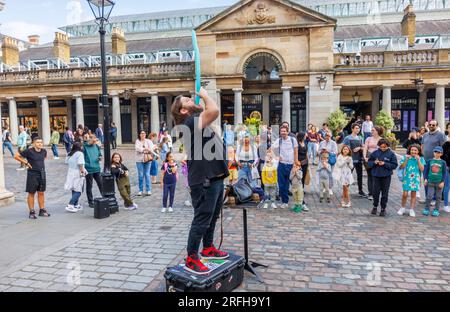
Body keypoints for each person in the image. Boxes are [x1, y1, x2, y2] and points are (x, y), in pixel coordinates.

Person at [171, 87, 229, 275]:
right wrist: (204, 95)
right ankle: (191, 257)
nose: (192, 99)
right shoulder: (190, 121)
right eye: (187, 100)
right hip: (204, 180)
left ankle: (208, 248)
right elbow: (213, 111)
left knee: (212, 217)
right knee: (202, 219)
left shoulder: (195, 121)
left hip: (214, 176)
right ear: (183, 111)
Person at [14, 137, 50, 219]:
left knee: (41, 192)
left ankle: (42, 210)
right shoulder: (29, 151)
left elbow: (43, 159)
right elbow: (16, 156)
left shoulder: (44, 151)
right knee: (31, 193)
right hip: (32, 174)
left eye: (41, 142)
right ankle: (32, 212)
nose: (40, 144)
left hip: (42, 173)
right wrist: (26, 162)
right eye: (37, 142)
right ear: (33, 143)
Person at [368, 139, 398, 217]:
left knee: (385, 193)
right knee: (375, 192)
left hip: (386, 176)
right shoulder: (375, 153)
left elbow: (394, 165)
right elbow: (369, 163)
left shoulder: (391, 154)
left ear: (388, 146)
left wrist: (385, 163)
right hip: (376, 175)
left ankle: (383, 209)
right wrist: (374, 162)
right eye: (381, 147)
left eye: (385, 147)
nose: (383, 148)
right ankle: (375, 206)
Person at [272, 125, 299, 209]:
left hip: (291, 165)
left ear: (288, 132)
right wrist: (276, 157)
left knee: (294, 184)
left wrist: (295, 164)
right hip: (281, 165)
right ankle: (285, 201)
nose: (283, 133)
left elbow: (295, 152)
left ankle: (299, 202)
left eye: (284, 131)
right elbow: (271, 149)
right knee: (281, 185)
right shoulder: (279, 140)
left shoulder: (292, 140)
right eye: (281, 131)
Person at [397, 144, 425, 218]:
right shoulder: (405, 157)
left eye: (415, 150)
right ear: (410, 150)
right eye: (412, 150)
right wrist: (406, 159)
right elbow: (401, 167)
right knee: (405, 194)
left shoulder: (421, 158)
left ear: (418, 151)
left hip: (415, 178)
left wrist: (418, 160)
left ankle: (411, 209)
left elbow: (422, 169)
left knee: (413, 194)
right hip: (407, 178)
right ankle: (402, 208)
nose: (413, 151)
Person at [343, 123, 366, 197]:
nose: (357, 130)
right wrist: (351, 150)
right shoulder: (348, 138)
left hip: (359, 159)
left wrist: (359, 148)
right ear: (352, 129)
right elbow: (345, 148)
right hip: (350, 159)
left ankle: (360, 190)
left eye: (358, 128)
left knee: (360, 176)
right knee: (348, 175)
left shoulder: (360, 138)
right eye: (356, 128)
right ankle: (346, 191)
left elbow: (363, 147)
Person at [423, 146, 447, 217]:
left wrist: (443, 182)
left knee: (438, 197)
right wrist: (425, 179)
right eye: (435, 152)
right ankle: (427, 208)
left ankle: (436, 210)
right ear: (433, 152)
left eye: (438, 152)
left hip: (439, 182)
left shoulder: (443, 162)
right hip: (431, 182)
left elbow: (444, 173)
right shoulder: (430, 161)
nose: (437, 154)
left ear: (441, 154)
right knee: (429, 196)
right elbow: (426, 171)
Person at [64, 142, 87, 213]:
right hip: (78, 172)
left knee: (74, 188)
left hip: (71, 172)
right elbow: (80, 164)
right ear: (80, 147)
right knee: (79, 190)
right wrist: (83, 172)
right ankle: (70, 205)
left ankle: (75, 204)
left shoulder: (70, 153)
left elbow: (66, 162)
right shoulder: (80, 154)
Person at [363, 126, 383, 201]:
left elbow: (383, 149)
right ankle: (370, 193)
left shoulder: (381, 139)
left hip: (377, 159)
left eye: (373, 130)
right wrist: (365, 157)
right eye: (371, 130)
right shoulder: (368, 139)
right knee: (370, 176)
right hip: (369, 158)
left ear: (377, 131)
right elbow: (365, 148)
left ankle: (376, 192)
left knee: (376, 176)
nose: (371, 131)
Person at [83, 134, 103, 207]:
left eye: (96, 140)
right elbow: (82, 157)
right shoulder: (84, 146)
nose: (95, 142)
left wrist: (100, 157)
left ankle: (104, 197)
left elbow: (99, 154)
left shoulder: (96, 146)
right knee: (89, 186)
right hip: (88, 169)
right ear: (90, 139)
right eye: (94, 140)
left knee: (101, 183)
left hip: (97, 168)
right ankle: (90, 201)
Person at [318, 131, 338, 195]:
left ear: (331, 136)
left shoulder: (333, 143)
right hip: (322, 160)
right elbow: (318, 151)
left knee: (330, 174)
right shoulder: (322, 142)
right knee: (323, 174)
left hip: (330, 160)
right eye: (326, 135)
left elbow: (336, 152)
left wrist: (328, 151)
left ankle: (330, 188)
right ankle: (324, 187)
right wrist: (321, 151)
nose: (327, 137)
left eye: (329, 136)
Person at [135, 130, 153, 196]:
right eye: (141, 133)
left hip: (148, 159)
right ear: (139, 134)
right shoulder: (137, 141)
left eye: (144, 133)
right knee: (140, 175)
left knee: (147, 174)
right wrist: (145, 149)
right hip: (139, 160)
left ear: (145, 134)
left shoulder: (149, 141)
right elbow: (137, 148)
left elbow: (151, 149)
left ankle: (148, 190)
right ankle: (140, 190)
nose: (143, 134)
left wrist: (143, 150)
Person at [297, 132, 309, 211]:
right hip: (298, 163)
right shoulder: (297, 144)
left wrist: (308, 163)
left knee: (303, 181)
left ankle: (301, 197)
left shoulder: (305, 143)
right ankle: (300, 200)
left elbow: (307, 153)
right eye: (305, 135)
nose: (306, 136)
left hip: (305, 163)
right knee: (299, 181)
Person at [440, 137, 450, 213]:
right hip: (447, 167)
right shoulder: (446, 144)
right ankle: (446, 205)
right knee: (447, 186)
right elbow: (442, 156)